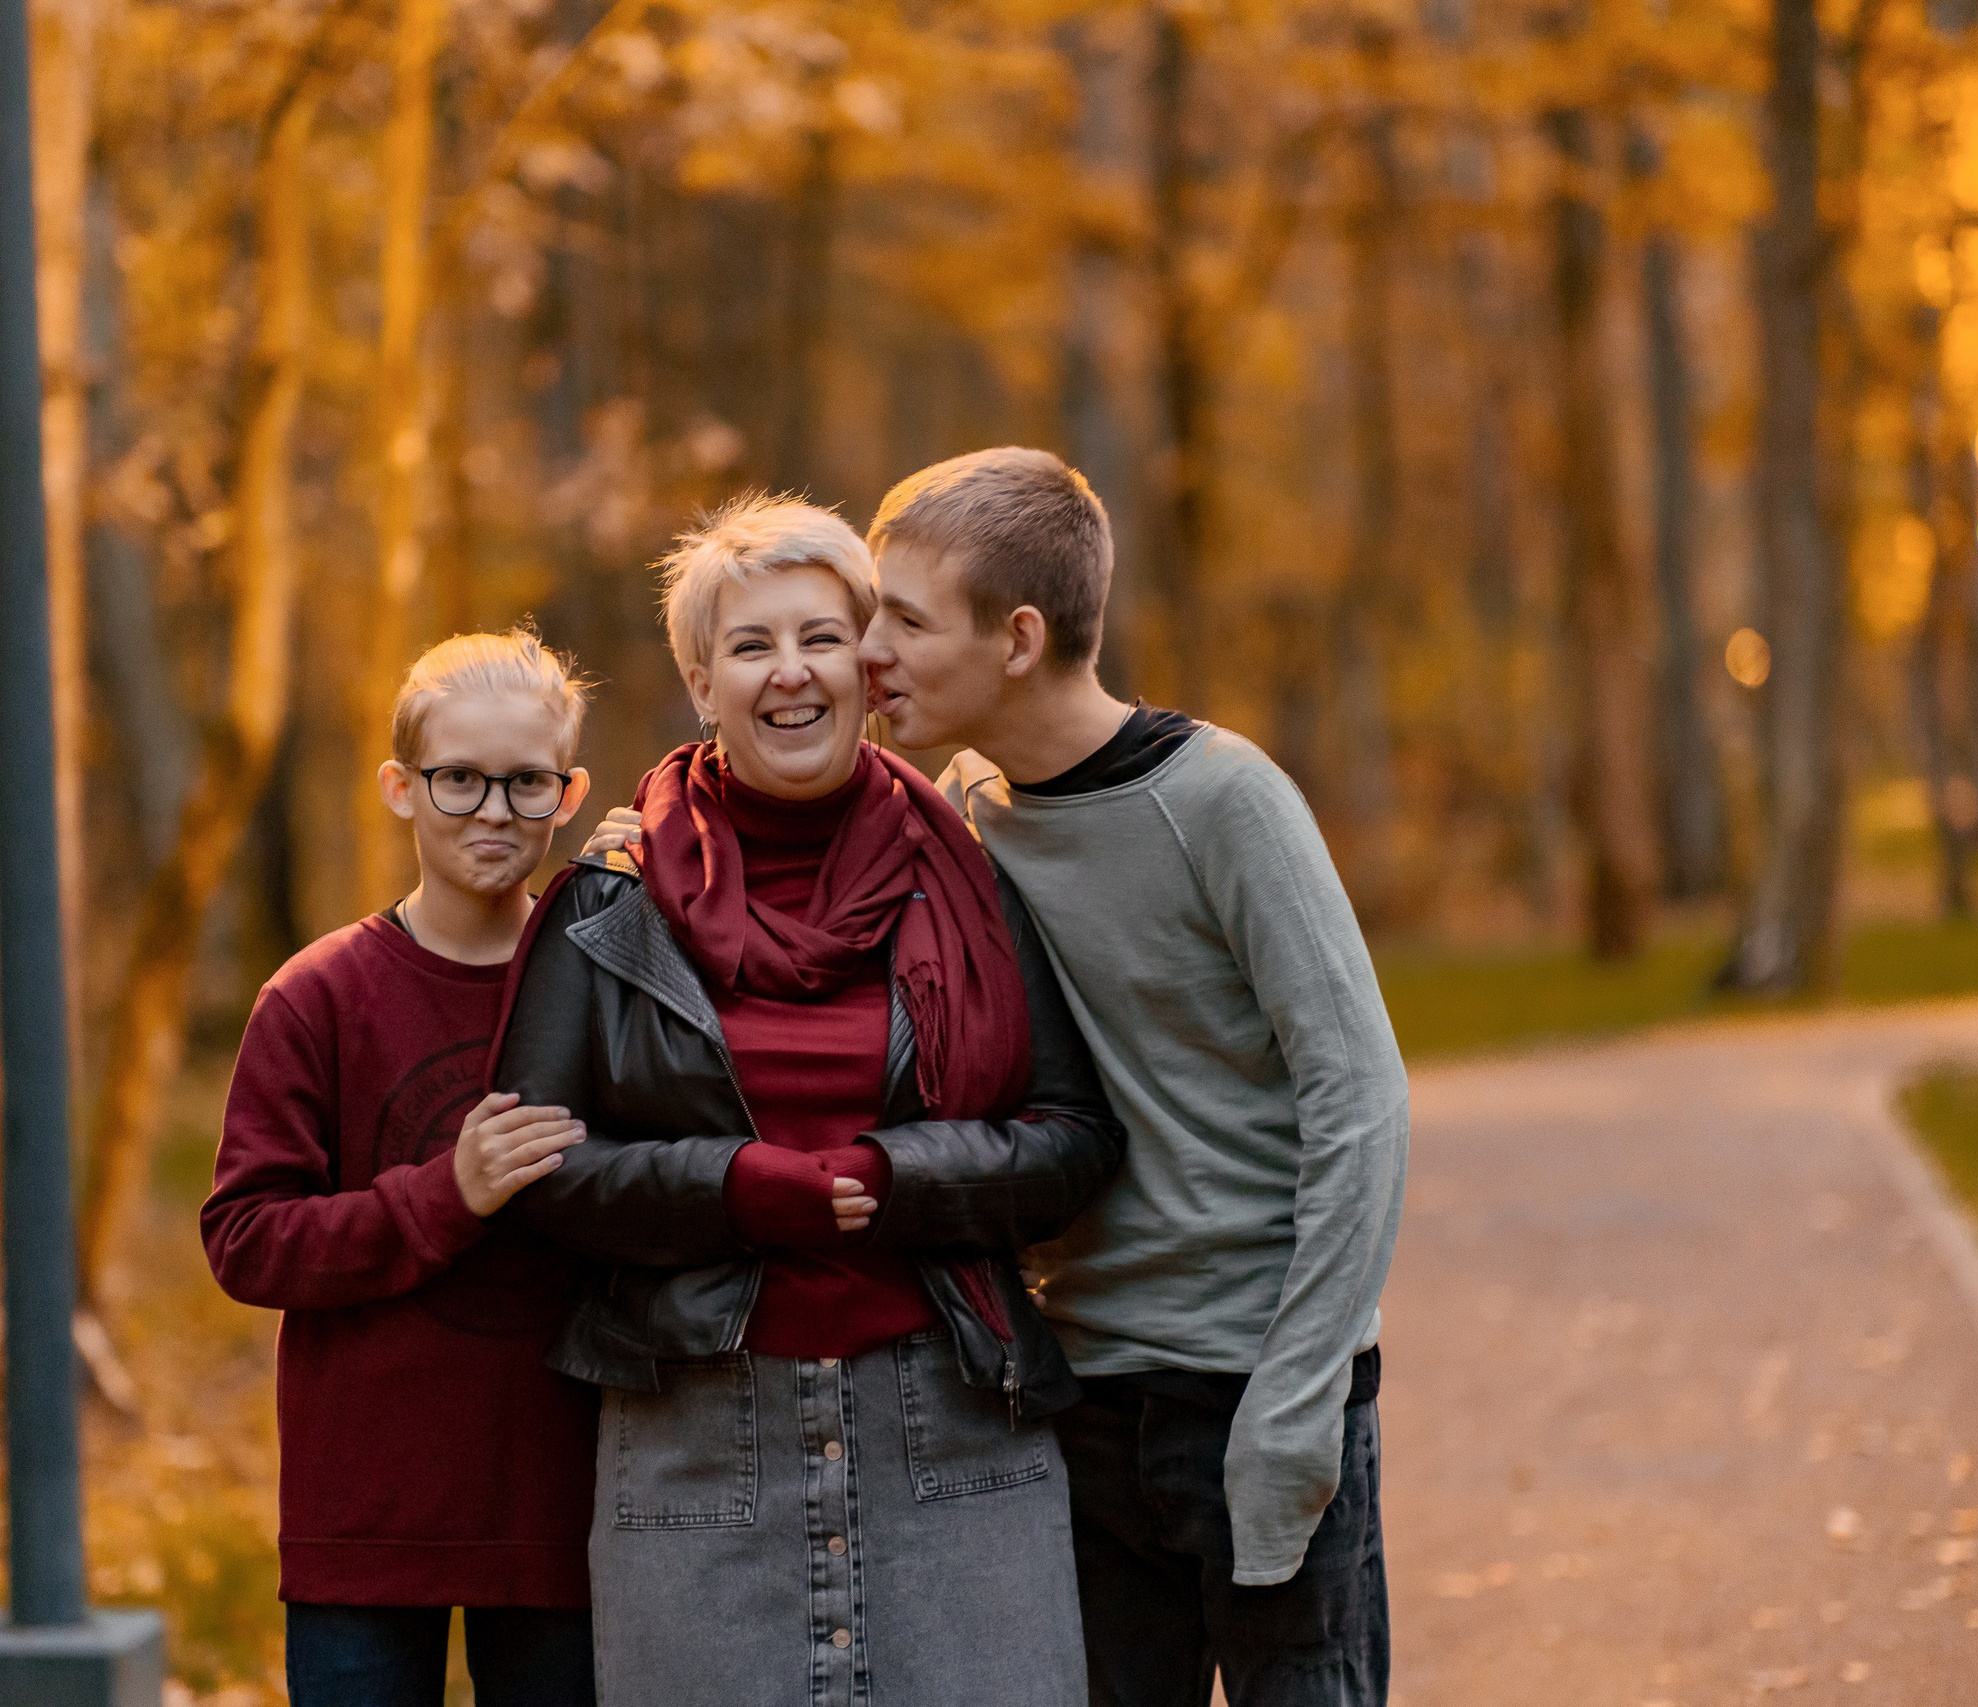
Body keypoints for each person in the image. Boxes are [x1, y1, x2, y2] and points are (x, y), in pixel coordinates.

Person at [591, 448, 1408, 1706]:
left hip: (1255, 1382)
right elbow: (776, 795)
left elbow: (1361, 1107)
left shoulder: (1225, 802)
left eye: (900, 625)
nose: (868, 658)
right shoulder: (974, 812)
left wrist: (1299, 1402)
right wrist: (639, 838)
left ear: (1017, 638)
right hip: (1088, 1387)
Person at [489, 493, 1126, 1707]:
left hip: (954, 1426)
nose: (791, 674)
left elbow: (1074, 1136)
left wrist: (896, 1180)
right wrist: (733, 1190)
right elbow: (540, 1167)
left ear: (869, 663)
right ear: (699, 682)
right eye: (750, 645)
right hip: (694, 1449)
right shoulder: (608, 901)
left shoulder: (978, 875)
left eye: (822, 638)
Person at [202, 628, 604, 1707]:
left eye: (525, 783)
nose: (490, 811)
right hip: (365, 1521)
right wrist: (447, 1195)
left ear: (566, 795)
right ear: (399, 786)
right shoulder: (316, 996)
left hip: (559, 1513)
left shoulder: (606, 979)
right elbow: (244, 1241)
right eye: (458, 778)